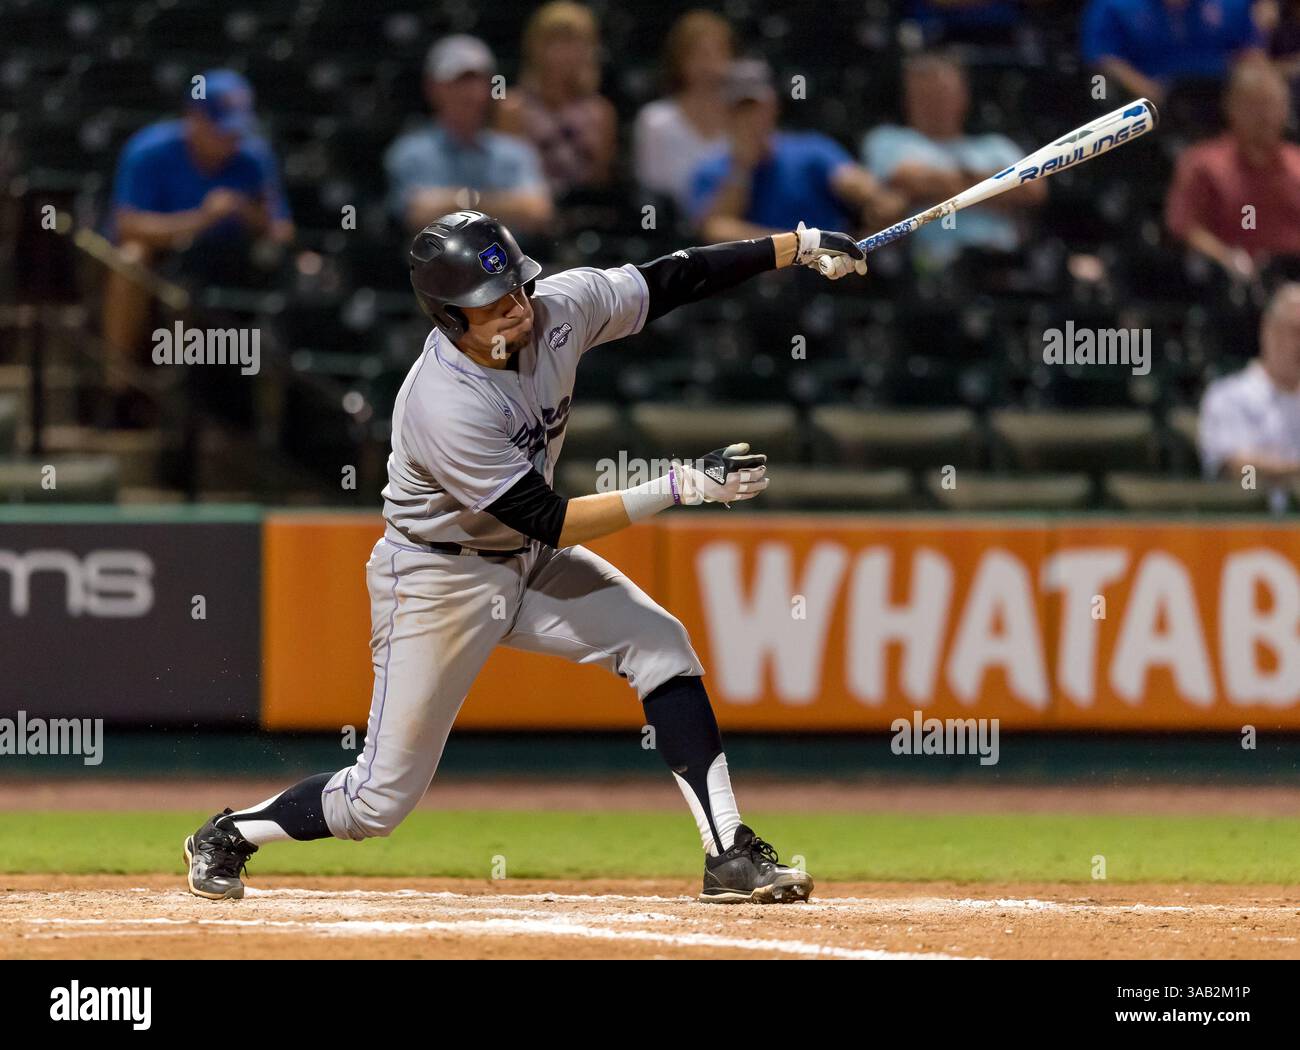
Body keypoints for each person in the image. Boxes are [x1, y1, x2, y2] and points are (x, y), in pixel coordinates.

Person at [182, 210, 871, 905]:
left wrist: (797, 247)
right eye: (495, 303)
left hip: (524, 561)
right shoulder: (442, 402)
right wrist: (681, 485)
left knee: (660, 643)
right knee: (377, 803)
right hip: (437, 576)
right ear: (451, 318)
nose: (517, 309)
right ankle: (230, 834)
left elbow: (674, 277)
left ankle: (729, 853)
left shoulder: (556, 308)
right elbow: (553, 518)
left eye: (518, 289)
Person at [101, 69, 293, 426]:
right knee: (130, 258)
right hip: (163, 263)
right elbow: (126, 226)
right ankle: (120, 389)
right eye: (222, 128)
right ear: (194, 117)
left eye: (237, 129)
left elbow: (281, 231)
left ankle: (268, 419)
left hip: (228, 265)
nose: (231, 139)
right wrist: (201, 219)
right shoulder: (150, 150)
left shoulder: (253, 157)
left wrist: (250, 215)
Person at [862, 51, 1045, 269]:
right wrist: (995, 190)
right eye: (926, 95)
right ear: (908, 99)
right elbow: (904, 180)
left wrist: (929, 194)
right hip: (924, 267)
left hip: (999, 265)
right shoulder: (887, 140)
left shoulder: (995, 146)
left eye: (943, 94)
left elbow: (1033, 189)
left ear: (962, 96)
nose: (935, 104)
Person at [689, 59, 904, 243]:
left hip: (827, 275)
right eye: (740, 109)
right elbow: (714, 231)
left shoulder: (810, 149)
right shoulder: (709, 172)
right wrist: (741, 168)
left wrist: (875, 198)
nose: (750, 118)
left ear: (773, 107)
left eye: (756, 107)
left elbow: (852, 181)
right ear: (725, 115)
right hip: (755, 283)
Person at [386, 35, 553, 234]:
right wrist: (504, 204)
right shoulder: (409, 152)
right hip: (435, 263)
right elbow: (417, 214)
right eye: (456, 82)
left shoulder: (516, 152)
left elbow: (538, 211)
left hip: (508, 262)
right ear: (432, 88)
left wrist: (461, 201)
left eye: (475, 81)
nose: (467, 92)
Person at [1164, 59, 1300, 282]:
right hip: (1232, 283)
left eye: (1273, 104)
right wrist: (1227, 259)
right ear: (1231, 106)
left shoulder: (1297, 162)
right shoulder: (1203, 163)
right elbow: (1183, 226)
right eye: (1255, 105)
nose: (1265, 116)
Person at [496, 2, 618, 197]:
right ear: (534, 47)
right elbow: (506, 180)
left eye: (575, 42)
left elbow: (600, 183)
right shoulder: (512, 108)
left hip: (584, 214)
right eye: (555, 42)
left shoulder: (601, 112)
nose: (565, 53)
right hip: (530, 215)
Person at [1198, 283, 1300, 511]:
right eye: (1296, 331)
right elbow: (1240, 475)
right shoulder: (1229, 396)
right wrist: (1288, 474)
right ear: (1268, 331)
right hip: (1247, 527)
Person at [633, 9, 734, 213]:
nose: (709, 65)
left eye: (717, 53)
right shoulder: (655, 121)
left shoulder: (742, 119)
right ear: (680, 61)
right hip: (676, 232)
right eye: (699, 55)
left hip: (733, 223)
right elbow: (653, 192)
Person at [1081, 0, 1264, 105]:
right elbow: (1104, 60)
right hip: (1150, 103)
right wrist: (1149, 94)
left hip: (1224, 102)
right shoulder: (1115, 7)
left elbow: (1251, 54)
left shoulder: (1231, 5)